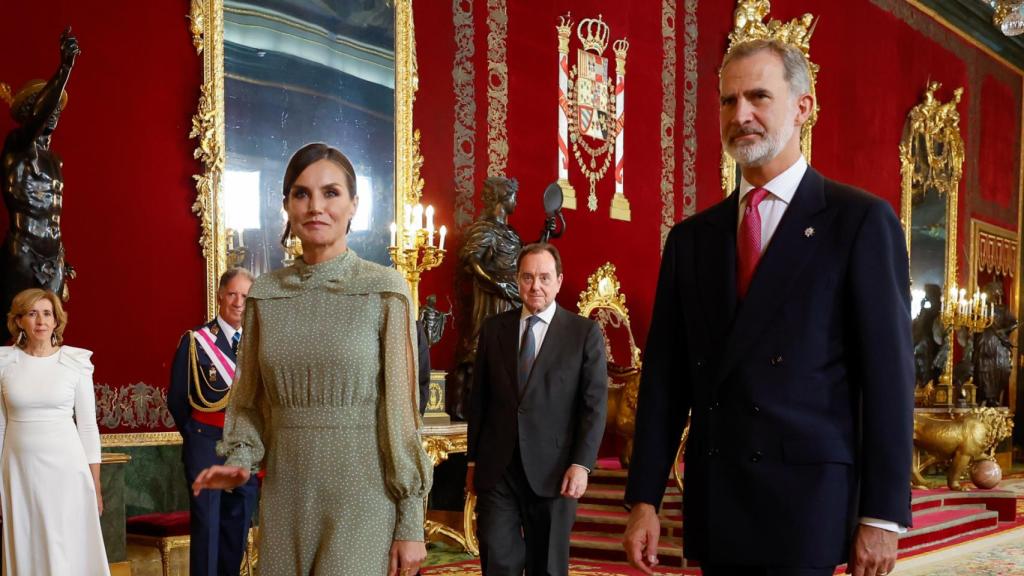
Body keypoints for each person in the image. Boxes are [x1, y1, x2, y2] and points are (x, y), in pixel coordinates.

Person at [622, 39, 914, 576]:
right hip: (718, 499)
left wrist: (883, 513)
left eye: (758, 97)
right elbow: (665, 381)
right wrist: (644, 498)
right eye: (729, 102)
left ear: (803, 107)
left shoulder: (858, 221)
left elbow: (889, 379)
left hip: (809, 504)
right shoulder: (691, 239)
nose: (742, 115)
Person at [191, 143, 433, 576]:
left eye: (331, 193)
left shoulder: (385, 289)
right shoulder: (264, 294)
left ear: (354, 204)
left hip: (364, 497)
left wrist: (411, 521)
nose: (316, 206)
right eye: (301, 194)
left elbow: (400, 413)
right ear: (286, 205)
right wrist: (240, 462)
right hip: (286, 499)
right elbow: (247, 402)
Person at [466, 242, 607, 576]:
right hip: (498, 469)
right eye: (528, 277)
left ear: (559, 281)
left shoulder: (583, 333)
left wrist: (581, 464)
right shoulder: (493, 330)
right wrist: (472, 461)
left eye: (544, 277)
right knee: (498, 561)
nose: (536, 286)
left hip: (556, 472)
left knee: (547, 567)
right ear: (517, 280)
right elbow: (479, 401)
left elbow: (594, 405)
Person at [0, 288, 109, 575]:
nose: (41, 321)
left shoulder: (74, 362)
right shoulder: (4, 363)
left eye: (47, 313)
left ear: (56, 319)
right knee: (27, 545)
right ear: (19, 320)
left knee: (65, 548)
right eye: (32, 313)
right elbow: (0, 426)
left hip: (67, 473)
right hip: (19, 473)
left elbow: (87, 426)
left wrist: (95, 484)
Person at [168, 267, 258, 576]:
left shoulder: (258, 345)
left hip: (244, 447)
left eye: (245, 295)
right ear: (220, 296)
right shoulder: (196, 341)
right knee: (207, 527)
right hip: (206, 442)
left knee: (237, 525)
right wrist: (197, 436)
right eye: (232, 294)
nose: (238, 302)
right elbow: (177, 399)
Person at [1, 29, 79, 342]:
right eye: (46, 103)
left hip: (54, 255)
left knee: (52, 333)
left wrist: (63, 255)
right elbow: (38, 119)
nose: (54, 109)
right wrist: (65, 68)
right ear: (30, 111)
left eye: (57, 104)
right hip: (24, 252)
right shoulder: (17, 145)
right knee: (15, 334)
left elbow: (52, 211)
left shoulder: (54, 159)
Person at [451, 177, 523, 419]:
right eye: (514, 196)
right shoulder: (486, 229)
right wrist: (499, 286)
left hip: (513, 297)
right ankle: (471, 405)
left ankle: (500, 405)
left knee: (510, 353)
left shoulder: (510, 232)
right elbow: (473, 262)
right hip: (494, 299)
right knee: (485, 347)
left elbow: (518, 261)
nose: (517, 202)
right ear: (503, 199)